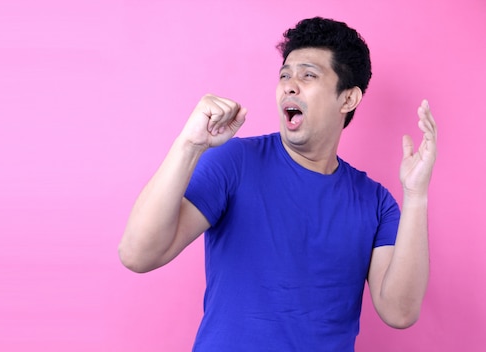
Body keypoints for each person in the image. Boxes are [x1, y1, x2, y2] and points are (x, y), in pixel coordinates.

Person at [118, 17, 437, 351]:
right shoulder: (235, 161)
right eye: (285, 75)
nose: (289, 85)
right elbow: (138, 254)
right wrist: (189, 144)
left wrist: (416, 195)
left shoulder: (375, 202)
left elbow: (400, 311)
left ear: (348, 99)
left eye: (308, 75)